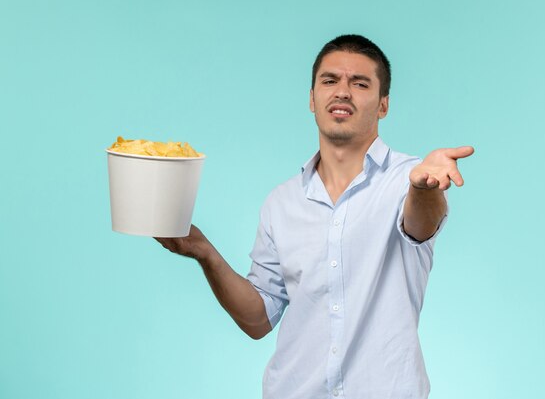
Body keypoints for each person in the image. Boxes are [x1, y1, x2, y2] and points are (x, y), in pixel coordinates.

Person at [156, 34, 474, 399]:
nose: (342, 92)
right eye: (329, 80)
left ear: (383, 104)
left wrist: (423, 187)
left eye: (360, 83)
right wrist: (205, 253)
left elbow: (419, 225)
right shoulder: (282, 202)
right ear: (312, 98)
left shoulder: (410, 178)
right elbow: (259, 319)